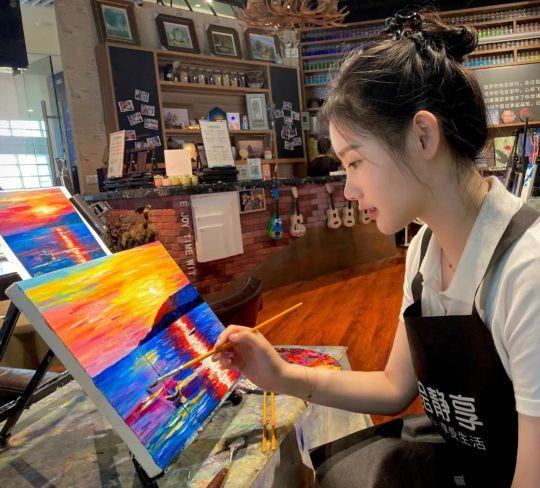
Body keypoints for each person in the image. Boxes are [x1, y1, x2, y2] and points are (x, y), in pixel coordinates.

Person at [212, 9, 540, 487]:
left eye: (355, 162)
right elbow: (393, 387)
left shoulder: (527, 273)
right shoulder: (423, 250)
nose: (349, 189)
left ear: (423, 136)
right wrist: (280, 375)